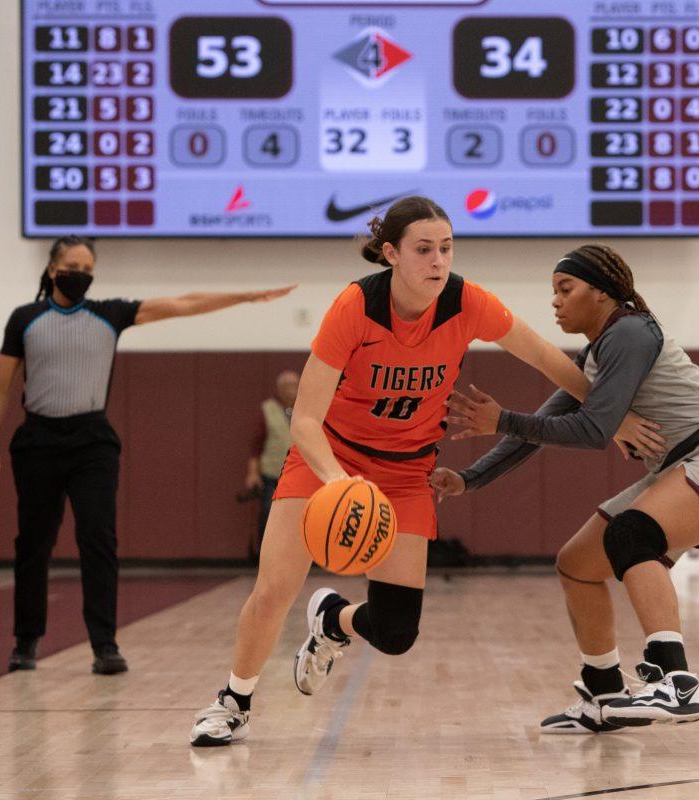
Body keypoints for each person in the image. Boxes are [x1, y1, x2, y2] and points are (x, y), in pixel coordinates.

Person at [187, 198, 655, 747]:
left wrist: (612, 416)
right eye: (424, 249)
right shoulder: (356, 308)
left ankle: (333, 621)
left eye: (447, 248)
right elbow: (306, 420)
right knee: (273, 590)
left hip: (407, 472)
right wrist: (339, 482)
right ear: (391, 254)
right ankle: (233, 701)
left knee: (396, 632)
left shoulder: (466, 302)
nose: (439, 261)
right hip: (330, 461)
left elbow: (549, 360)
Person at [434, 243, 699, 733]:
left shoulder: (632, 331)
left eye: (565, 288)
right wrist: (469, 478)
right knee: (577, 564)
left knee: (631, 534)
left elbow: (594, 432)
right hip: (688, 464)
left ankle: (676, 680)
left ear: (600, 293)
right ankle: (604, 691)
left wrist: (502, 418)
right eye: (553, 291)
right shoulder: (599, 354)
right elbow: (540, 428)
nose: (554, 300)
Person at [0, 235, 294, 674]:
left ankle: (104, 644)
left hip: (92, 442)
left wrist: (244, 296)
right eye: (73, 265)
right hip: (38, 442)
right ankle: (26, 640)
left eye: (89, 268)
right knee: (33, 543)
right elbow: (0, 386)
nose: (81, 274)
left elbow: (184, 303)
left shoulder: (109, 314)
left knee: (99, 540)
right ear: (53, 270)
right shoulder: (25, 319)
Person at [244, 370, 299, 556]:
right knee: (268, 512)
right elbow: (256, 445)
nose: (292, 389)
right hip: (273, 474)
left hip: (299, 474)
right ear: (279, 389)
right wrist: (253, 473)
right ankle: (266, 554)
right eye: (287, 386)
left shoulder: (306, 407)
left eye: (295, 385)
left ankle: (299, 555)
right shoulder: (268, 409)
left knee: (302, 515)